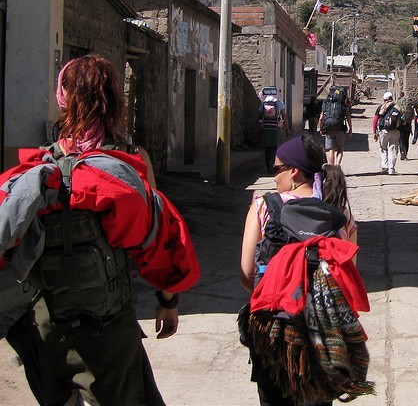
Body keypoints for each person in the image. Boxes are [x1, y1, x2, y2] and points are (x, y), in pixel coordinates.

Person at [0, 54, 200, 406]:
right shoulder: (129, 162)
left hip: (46, 324)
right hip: (108, 328)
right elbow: (157, 240)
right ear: (114, 101)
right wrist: (167, 301)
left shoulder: (35, 167)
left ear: (63, 98)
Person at [240, 134, 357, 406]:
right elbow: (349, 274)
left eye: (276, 168)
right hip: (323, 334)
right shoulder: (339, 212)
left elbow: (247, 272)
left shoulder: (262, 206)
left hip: (274, 332)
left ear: (294, 171)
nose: (274, 176)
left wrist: (274, 293)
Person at [260, 86, 291, 174]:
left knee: (267, 148)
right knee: (275, 147)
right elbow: (284, 116)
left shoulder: (263, 104)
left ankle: (268, 166)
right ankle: (273, 164)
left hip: (265, 127)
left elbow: (258, 115)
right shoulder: (279, 103)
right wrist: (287, 129)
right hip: (276, 128)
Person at [319, 86, 352, 166]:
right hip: (340, 128)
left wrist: (321, 128)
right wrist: (350, 128)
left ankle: (331, 166)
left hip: (329, 128)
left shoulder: (326, 103)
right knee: (340, 148)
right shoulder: (343, 104)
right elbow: (348, 117)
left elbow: (321, 118)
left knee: (331, 149)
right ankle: (337, 165)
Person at [372, 91, 401, 175]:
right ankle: (391, 169)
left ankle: (384, 166)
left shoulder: (381, 107)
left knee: (383, 148)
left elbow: (375, 121)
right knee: (393, 149)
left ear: (384, 99)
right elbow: (403, 119)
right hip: (395, 131)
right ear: (392, 98)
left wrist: (375, 132)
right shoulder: (397, 107)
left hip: (383, 131)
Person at [395, 91, 414, 160]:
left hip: (400, 124)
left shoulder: (398, 103)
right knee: (406, 139)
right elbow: (413, 116)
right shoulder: (409, 105)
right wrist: (408, 120)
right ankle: (405, 154)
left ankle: (402, 152)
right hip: (408, 124)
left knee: (401, 139)